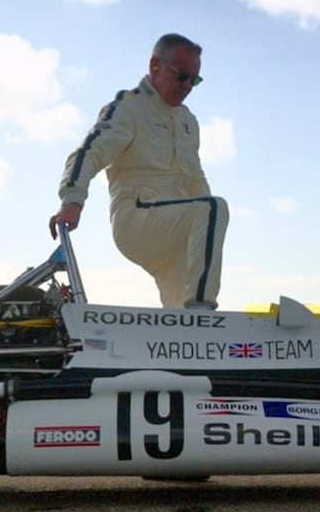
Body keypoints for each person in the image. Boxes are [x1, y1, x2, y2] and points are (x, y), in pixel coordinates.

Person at [48, 33, 229, 310]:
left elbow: (195, 179)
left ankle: (188, 335)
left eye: (194, 80)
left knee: (180, 313)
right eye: (181, 76)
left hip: (179, 228)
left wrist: (209, 226)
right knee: (213, 208)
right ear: (154, 65)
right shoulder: (127, 107)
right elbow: (89, 152)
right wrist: (72, 201)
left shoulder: (188, 122)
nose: (187, 86)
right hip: (137, 218)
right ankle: (203, 311)